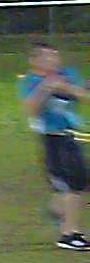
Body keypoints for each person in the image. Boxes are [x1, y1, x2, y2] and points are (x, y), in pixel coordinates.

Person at [19, 42, 90, 250]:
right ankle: (69, 234)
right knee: (71, 186)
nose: (54, 60)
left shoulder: (68, 74)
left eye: (55, 56)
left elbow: (85, 96)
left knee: (74, 184)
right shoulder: (30, 81)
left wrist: (67, 88)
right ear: (34, 61)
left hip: (70, 136)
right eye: (48, 57)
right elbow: (31, 111)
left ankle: (59, 211)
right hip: (52, 139)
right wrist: (45, 88)